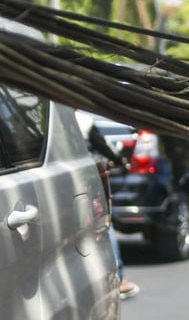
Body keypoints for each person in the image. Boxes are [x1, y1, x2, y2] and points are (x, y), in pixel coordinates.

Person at [75, 111, 141, 300]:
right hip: (86, 184)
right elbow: (106, 148)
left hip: (62, 187)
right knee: (103, 224)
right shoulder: (84, 121)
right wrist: (121, 160)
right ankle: (118, 278)